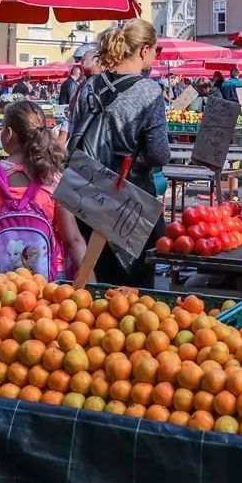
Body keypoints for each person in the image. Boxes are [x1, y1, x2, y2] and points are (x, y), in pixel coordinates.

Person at [68, 19, 170, 286]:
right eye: (157, 51)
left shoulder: (89, 86)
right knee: (132, 292)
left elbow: (74, 132)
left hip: (86, 191)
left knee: (94, 279)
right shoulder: (149, 91)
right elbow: (159, 153)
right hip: (128, 198)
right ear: (144, 50)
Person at [0, 100, 89, 279]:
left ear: (8, 133)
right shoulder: (53, 180)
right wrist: (91, 283)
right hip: (47, 286)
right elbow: (73, 240)